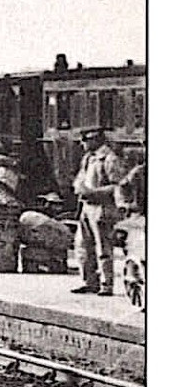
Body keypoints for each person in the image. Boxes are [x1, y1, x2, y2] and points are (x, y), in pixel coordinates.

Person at [71, 127, 125, 296]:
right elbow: (80, 177)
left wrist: (94, 193)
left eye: (85, 141)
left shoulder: (109, 159)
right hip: (86, 208)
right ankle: (89, 281)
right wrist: (78, 187)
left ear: (95, 140)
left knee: (103, 247)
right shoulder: (89, 158)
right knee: (83, 246)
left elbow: (118, 186)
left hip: (102, 208)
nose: (82, 145)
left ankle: (106, 284)